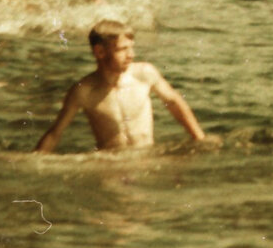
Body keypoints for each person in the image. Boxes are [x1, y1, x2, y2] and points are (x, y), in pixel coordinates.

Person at [34, 19, 207, 152]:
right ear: (100, 52)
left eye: (131, 48)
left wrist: (199, 138)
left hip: (147, 156)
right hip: (112, 163)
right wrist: (37, 160)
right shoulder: (84, 91)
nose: (131, 55)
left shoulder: (144, 74)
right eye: (122, 49)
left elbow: (174, 102)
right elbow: (55, 133)